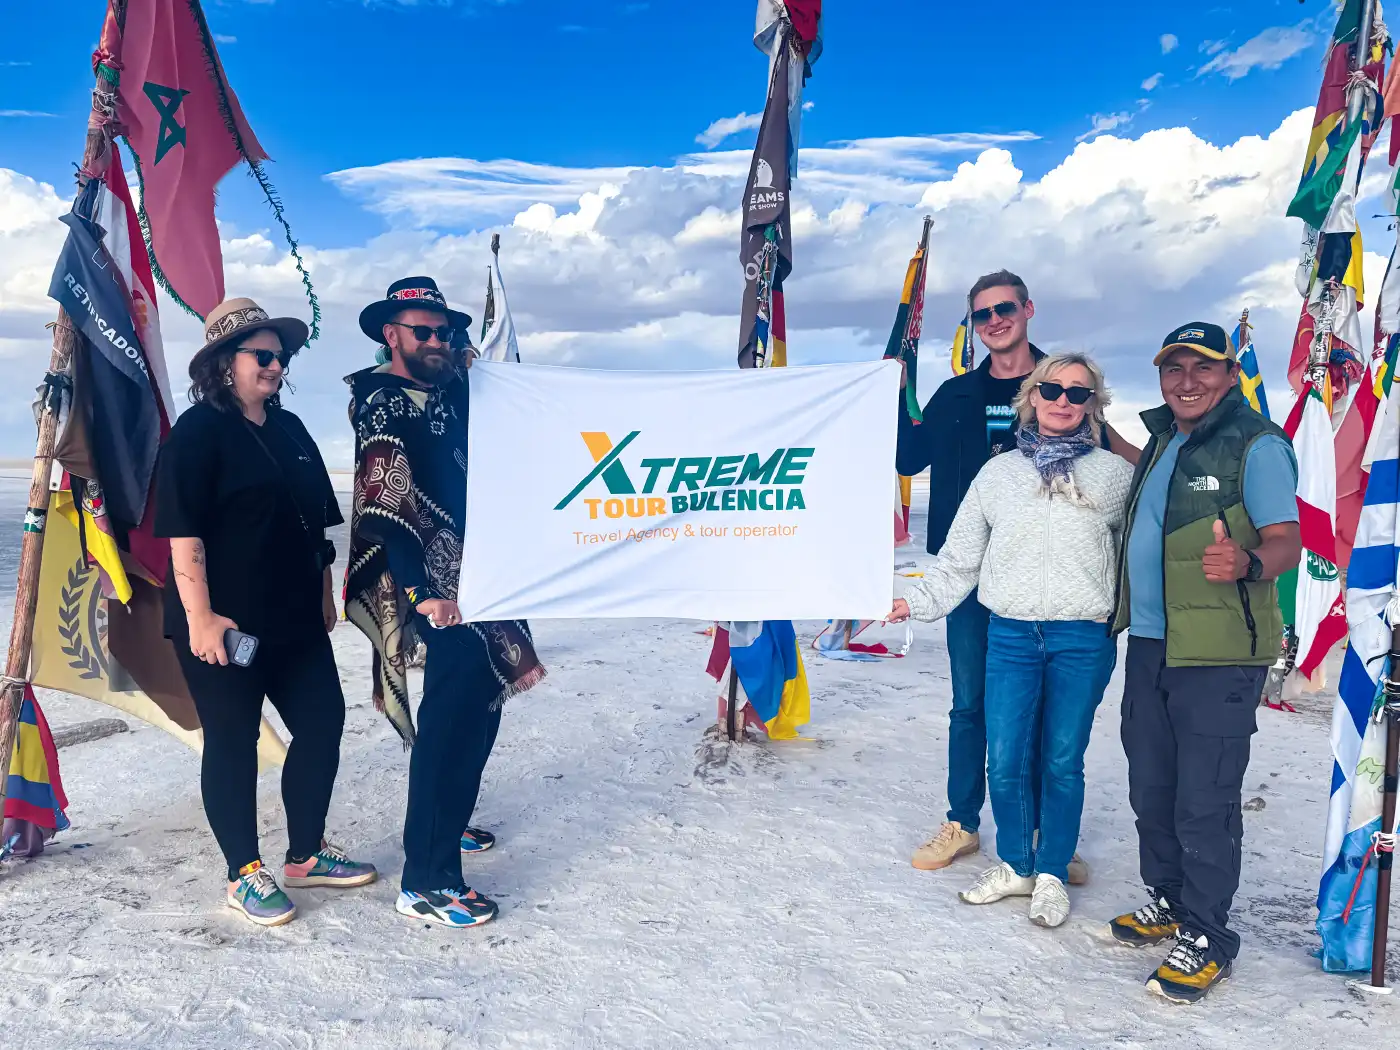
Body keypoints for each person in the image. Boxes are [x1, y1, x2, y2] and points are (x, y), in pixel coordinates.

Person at [896, 270, 1136, 878]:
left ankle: (1043, 837)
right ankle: (963, 821)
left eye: (1004, 308)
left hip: (1053, 581)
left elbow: (1124, 466)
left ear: (1028, 309)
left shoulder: (1066, 389)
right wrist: (886, 389)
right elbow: (904, 456)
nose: (995, 320)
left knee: (1045, 717)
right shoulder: (954, 395)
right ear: (973, 325)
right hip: (973, 572)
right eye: (982, 314)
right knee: (972, 706)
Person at [155, 297, 377, 928]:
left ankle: (305, 854)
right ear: (224, 362)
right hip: (225, 625)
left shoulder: (291, 429)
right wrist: (200, 619)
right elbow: (184, 535)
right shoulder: (197, 435)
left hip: (295, 618)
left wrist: (324, 587)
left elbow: (317, 522)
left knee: (324, 722)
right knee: (233, 741)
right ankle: (242, 872)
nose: (277, 365)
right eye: (263, 354)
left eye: (281, 355)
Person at [1106, 322, 1300, 1003]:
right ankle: (1170, 899)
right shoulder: (1167, 440)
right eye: (1173, 369)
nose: (1186, 381)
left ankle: (1209, 933)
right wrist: (1086, 420)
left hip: (1218, 653)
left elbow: (1287, 541)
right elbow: (1148, 483)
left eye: (1201, 368)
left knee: (1204, 799)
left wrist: (1248, 562)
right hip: (1153, 644)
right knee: (1151, 787)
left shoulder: (1257, 444)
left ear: (1228, 374)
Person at [344, 277, 546, 930]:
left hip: (486, 576)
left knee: (484, 706)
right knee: (450, 725)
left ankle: (450, 826)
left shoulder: (456, 388)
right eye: (422, 331)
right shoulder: (382, 402)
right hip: (430, 586)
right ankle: (426, 881)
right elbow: (384, 505)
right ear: (390, 335)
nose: (437, 340)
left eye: (445, 331)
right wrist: (423, 594)